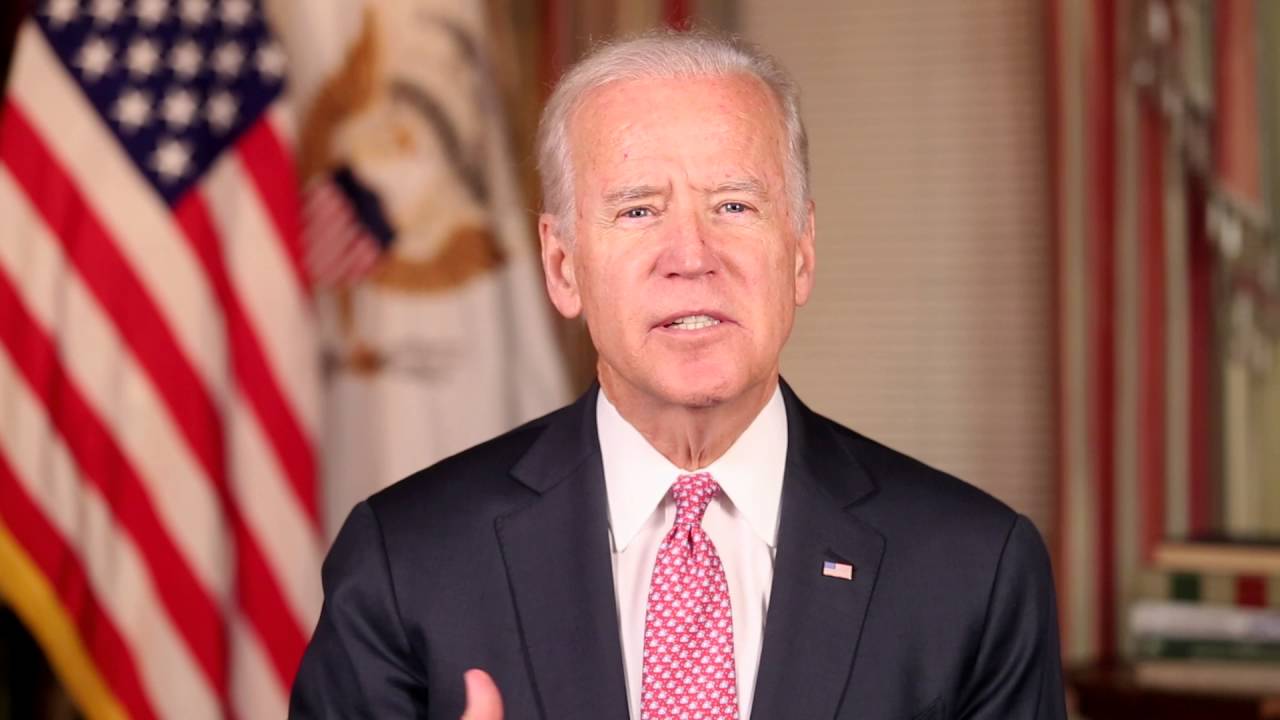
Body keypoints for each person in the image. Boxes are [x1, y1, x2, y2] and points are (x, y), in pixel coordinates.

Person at [289, 30, 1067, 720]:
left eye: (734, 205)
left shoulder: (976, 570)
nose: (691, 256)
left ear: (800, 251)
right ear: (562, 266)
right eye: (637, 211)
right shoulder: (405, 561)